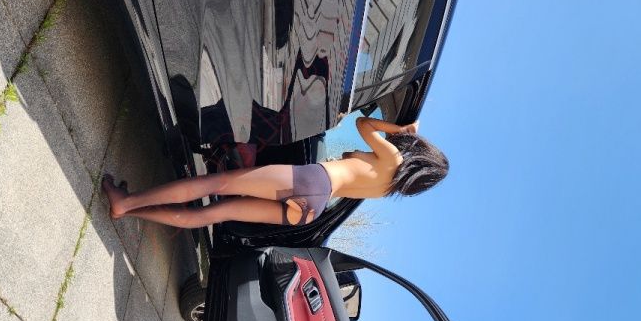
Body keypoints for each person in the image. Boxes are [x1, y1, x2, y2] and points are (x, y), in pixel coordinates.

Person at [101, 116, 448, 229]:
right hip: (311, 211)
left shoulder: (393, 158)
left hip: (313, 180)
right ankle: (128, 210)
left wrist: (400, 129)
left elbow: (363, 124)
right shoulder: (387, 189)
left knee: (216, 183)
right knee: (215, 214)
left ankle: (126, 201)